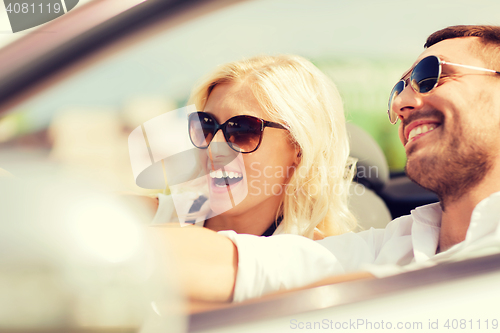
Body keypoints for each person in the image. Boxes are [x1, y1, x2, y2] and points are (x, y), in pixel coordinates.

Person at [149, 25, 500, 303]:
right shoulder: (389, 247)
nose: (401, 103)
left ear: (300, 149)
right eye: (205, 126)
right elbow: (232, 267)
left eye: (430, 74)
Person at [151, 55, 357, 239]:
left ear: (299, 147)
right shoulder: (151, 219)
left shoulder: (321, 262)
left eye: (242, 131)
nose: (213, 148)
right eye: (205, 125)